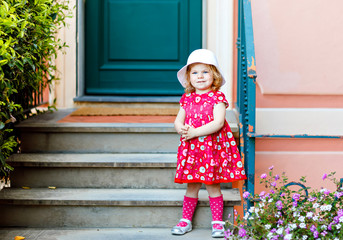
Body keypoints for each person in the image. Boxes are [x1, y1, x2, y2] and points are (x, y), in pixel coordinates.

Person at [171, 49, 247, 238]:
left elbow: (218, 122)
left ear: (214, 75)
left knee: (212, 185)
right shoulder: (186, 98)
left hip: (211, 150)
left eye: (205, 72)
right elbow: (178, 119)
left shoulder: (217, 98)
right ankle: (186, 220)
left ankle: (217, 222)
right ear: (189, 77)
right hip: (192, 151)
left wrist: (195, 132)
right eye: (195, 72)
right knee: (192, 185)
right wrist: (180, 127)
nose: (200, 76)